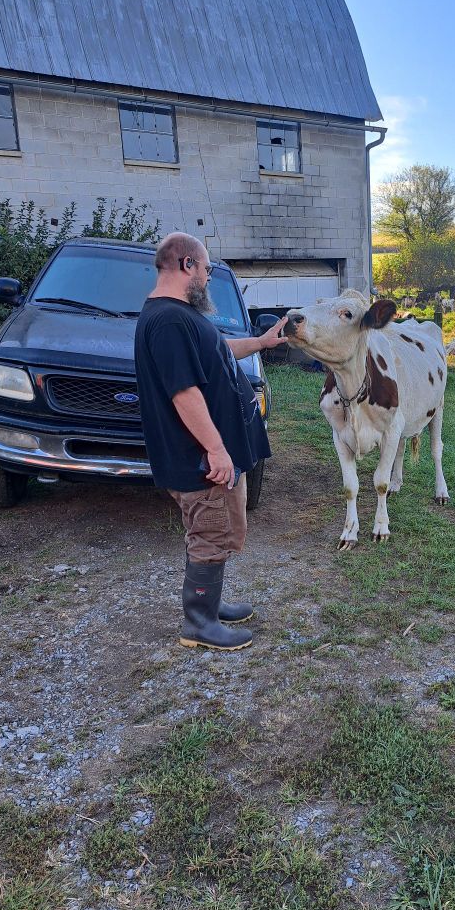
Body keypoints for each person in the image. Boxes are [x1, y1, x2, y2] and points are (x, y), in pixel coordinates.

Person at [134, 232, 286, 651]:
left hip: (208, 453)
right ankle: (198, 623)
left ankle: (210, 605)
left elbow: (217, 349)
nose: (206, 277)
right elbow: (184, 393)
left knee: (217, 529)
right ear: (186, 265)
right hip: (196, 457)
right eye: (204, 269)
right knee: (209, 531)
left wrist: (261, 343)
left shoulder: (180, 317)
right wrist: (216, 449)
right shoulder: (167, 321)